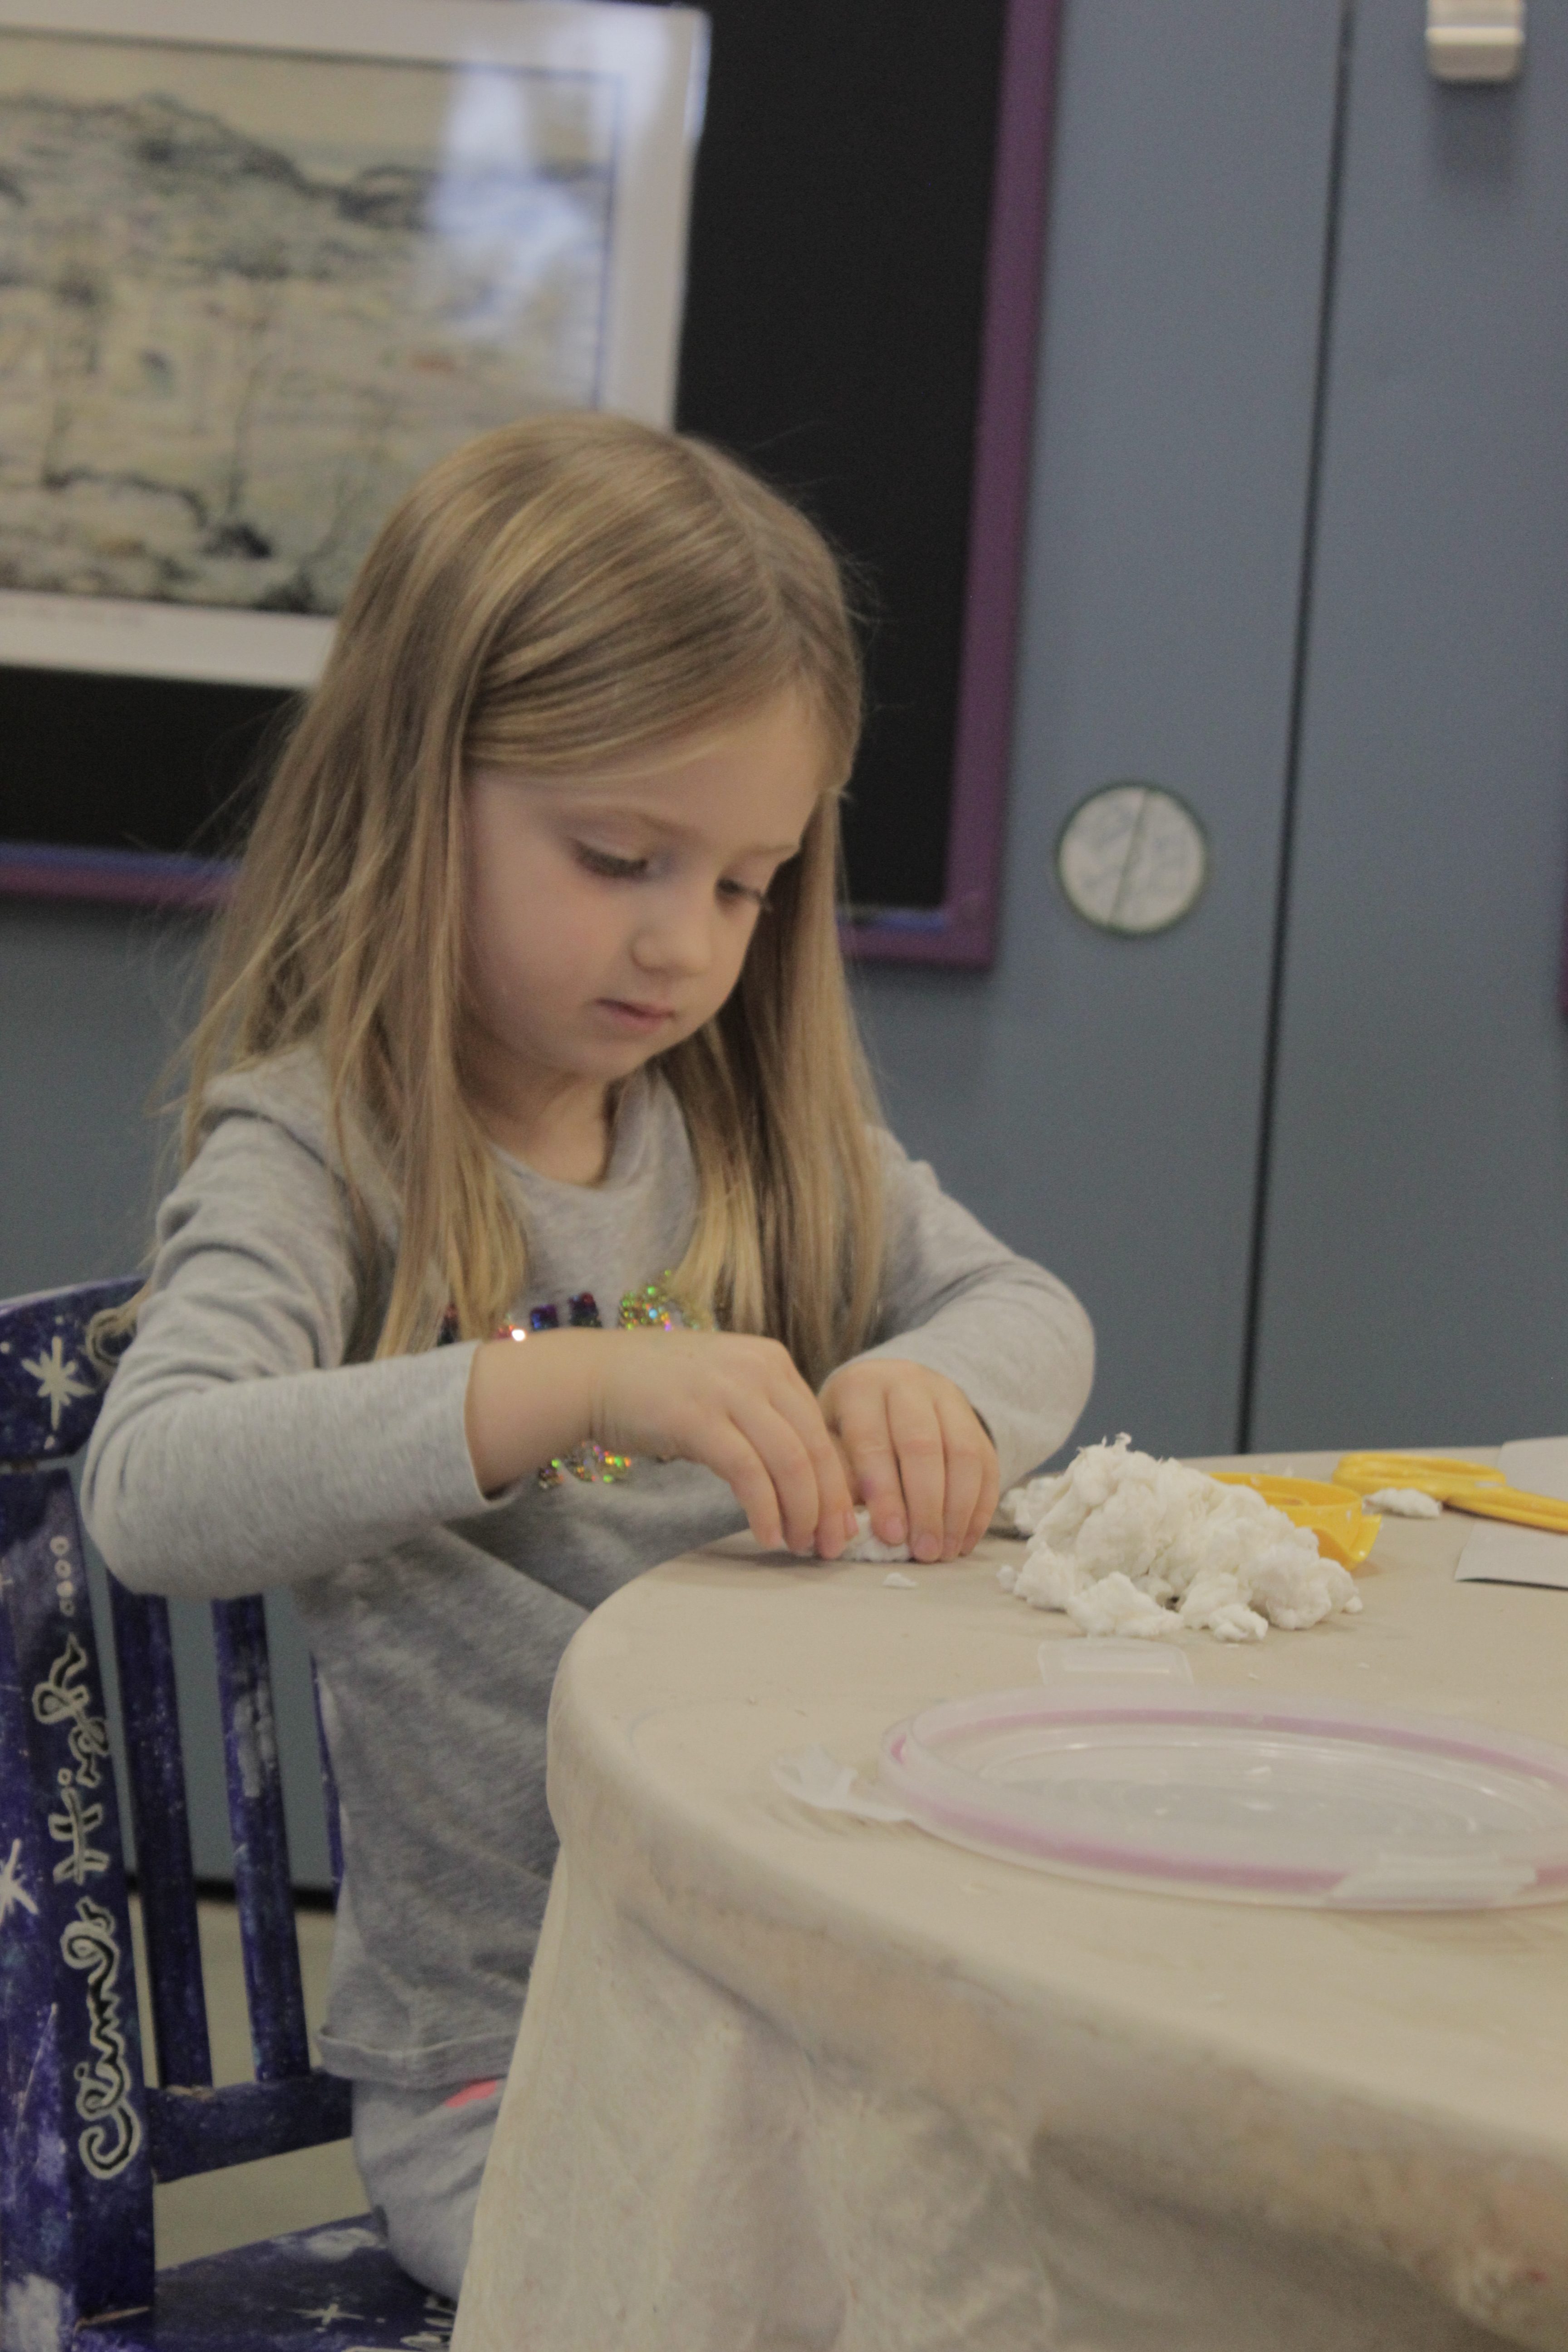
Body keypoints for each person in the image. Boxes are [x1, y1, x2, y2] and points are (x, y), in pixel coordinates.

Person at [83, 412, 1094, 2300]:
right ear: (413, 788)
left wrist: (939, 1388)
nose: (684, 942)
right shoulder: (322, 1151)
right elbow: (152, 1488)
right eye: (621, 854)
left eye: (742, 882)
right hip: (512, 2063)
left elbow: (1033, 1316)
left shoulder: (760, 1138)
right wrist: (567, 1384)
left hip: (814, 2005)